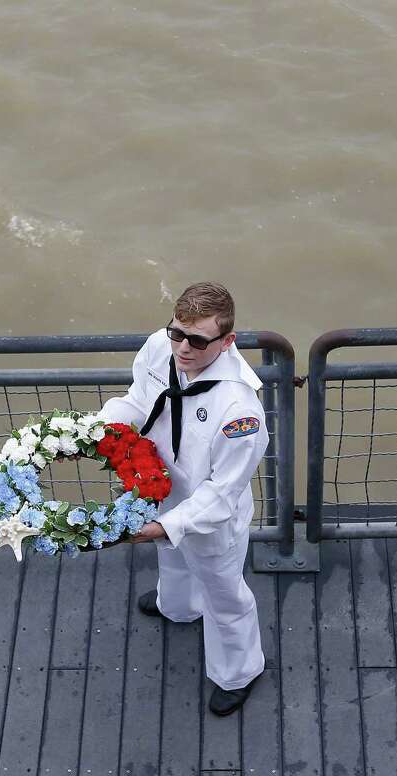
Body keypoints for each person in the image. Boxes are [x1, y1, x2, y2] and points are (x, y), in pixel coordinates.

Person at [97, 281, 268, 716]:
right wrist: (99, 427)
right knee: (170, 559)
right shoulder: (160, 347)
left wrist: (165, 525)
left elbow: (221, 492)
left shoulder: (239, 411)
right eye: (177, 333)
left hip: (211, 518)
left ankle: (238, 672)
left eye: (197, 340)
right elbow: (140, 401)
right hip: (159, 490)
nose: (183, 348)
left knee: (223, 594)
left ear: (227, 341)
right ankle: (177, 607)